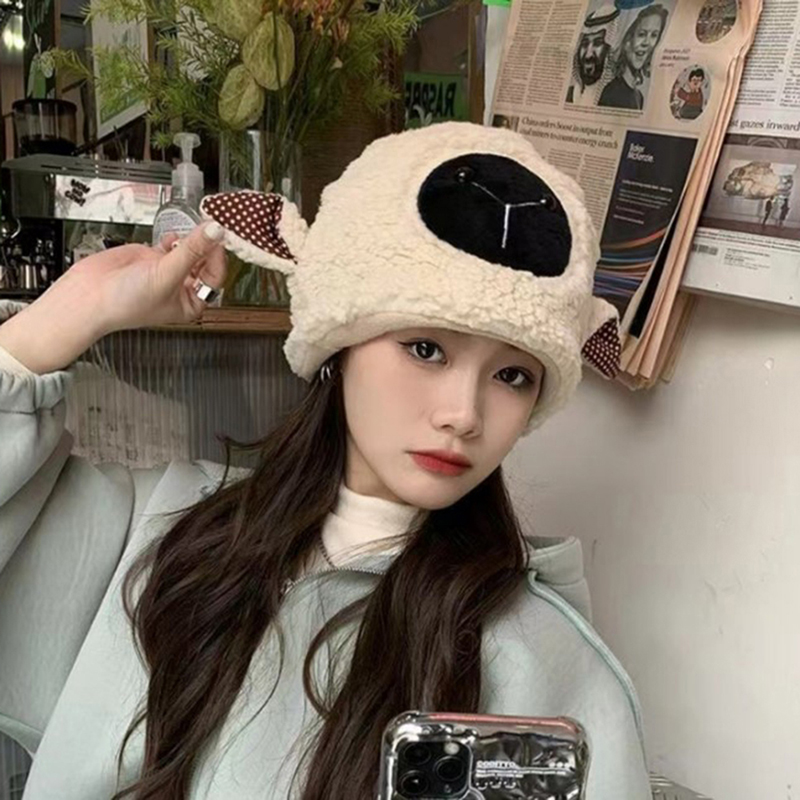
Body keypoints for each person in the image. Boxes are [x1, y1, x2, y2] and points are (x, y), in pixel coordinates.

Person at [0, 123, 651, 799]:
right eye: (426, 349)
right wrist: (79, 308)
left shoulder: (538, 657)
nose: (464, 414)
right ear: (339, 342)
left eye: (513, 376)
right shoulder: (158, 530)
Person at [598, 3, 669, 111]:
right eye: (641, 34)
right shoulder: (612, 92)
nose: (647, 43)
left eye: (654, 35)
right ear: (627, 41)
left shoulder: (639, 97)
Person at [566, 4, 620, 107]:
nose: (588, 54)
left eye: (598, 43)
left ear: (609, 50)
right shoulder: (569, 96)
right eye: (585, 43)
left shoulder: (616, 98)